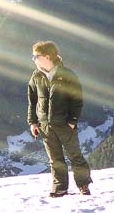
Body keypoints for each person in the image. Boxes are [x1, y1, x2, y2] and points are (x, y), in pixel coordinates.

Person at [27, 41, 92, 197]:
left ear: (47, 57)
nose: (33, 59)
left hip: (65, 124)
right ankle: (59, 188)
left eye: (36, 56)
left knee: (75, 156)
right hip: (45, 126)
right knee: (55, 159)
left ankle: (83, 185)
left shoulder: (67, 75)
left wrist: (72, 121)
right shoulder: (36, 76)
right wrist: (33, 122)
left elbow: (77, 100)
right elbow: (32, 101)